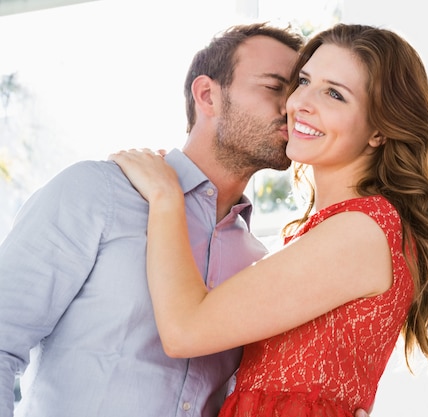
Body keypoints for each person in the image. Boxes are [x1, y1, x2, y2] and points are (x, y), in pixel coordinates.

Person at [110, 23, 428, 416]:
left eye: (334, 94)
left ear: (379, 130)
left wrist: (165, 196)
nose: (297, 104)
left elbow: (184, 331)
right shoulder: (344, 227)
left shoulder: (360, 229)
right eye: (305, 81)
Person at [0, 22, 305, 417]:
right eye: (274, 87)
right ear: (207, 95)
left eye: (296, 93)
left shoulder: (258, 261)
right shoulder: (97, 193)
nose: (292, 107)